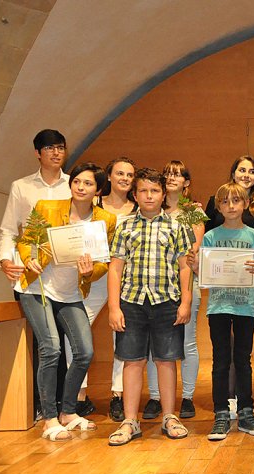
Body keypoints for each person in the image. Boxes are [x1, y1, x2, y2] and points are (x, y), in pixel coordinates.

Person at [18, 162, 117, 441]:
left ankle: (68, 412)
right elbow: (26, 241)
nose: (81, 187)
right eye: (77, 181)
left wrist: (91, 271)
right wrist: (29, 258)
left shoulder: (105, 221)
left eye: (88, 183)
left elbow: (103, 263)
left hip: (72, 293)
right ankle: (50, 418)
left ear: (98, 189)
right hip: (38, 289)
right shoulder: (47, 208)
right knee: (50, 348)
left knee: (84, 352)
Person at [107, 167, 193, 446]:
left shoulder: (176, 226)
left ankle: (170, 416)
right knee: (133, 361)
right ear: (135, 193)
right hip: (131, 302)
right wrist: (113, 307)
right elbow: (115, 270)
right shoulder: (125, 226)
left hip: (166, 301)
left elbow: (184, 267)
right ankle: (130, 420)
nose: (149, 195)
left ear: (163, 194)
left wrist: (185, 301)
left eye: (155, 190)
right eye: (143, 190)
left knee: (167, 360)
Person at [0, 129, 71, 423]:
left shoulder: (73, 185)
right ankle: (42, 405)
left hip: (65, 278)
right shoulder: (21, 187)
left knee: (64, 342)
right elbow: (8, 230)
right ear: (37, 153)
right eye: (50, 148)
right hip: (32, 277)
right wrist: (5, 260)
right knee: (45, 343)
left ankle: (64, 406)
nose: (56, 153)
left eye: (61, 148)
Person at [194, 182, 254, 439]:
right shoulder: (210, 237)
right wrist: (197, 266)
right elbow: (203, 272)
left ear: (245, 204)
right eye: (225, 202)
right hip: (218, 306)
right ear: (218, 207)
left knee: (243, 360)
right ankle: (221, 414)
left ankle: (247, 412)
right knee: (220, 361)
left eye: (236, 201)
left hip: (246, 306)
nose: (231, 206)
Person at [143, 161, 204, 420]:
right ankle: (155, 397)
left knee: (187, 342)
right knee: (153, 347)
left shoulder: (194, 212)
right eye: (167, 173)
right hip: (155, 286)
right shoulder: (152, 209)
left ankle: (187, 397)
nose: (171, 178)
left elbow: (193, 251)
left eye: (178, 175)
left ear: (187, 182)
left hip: (186, 281)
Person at [92, 157, 138, 422]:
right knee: (76, 337)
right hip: (94, 277)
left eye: (129, 175)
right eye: (119, 173)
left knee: (121, 338)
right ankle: (77, 395)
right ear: (108, 176)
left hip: (126, 280)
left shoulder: (137, 209)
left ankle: (118, 395)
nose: (124, 178)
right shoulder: (95, 206)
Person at [204, 155, 254, 231]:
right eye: (242, 170)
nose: (246, 175)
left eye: (252, 172)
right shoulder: (216, 200)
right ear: (233, 175)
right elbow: (206, 232)